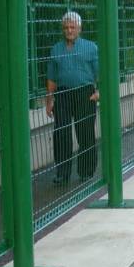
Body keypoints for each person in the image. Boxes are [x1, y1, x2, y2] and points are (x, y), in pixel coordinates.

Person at [46, 11, 99, 184]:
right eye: (66, 27)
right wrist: (49, 99)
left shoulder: (91, 47)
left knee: (85, 133)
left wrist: (100, 92)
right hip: (62, 94)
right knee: (61, 134)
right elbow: (52, 77)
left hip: (85, 93)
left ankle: (86, 172)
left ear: (79, 28)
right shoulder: (56, 49)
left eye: (72, 27)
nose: (69, 30)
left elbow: (101, 72)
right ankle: (62, 174)